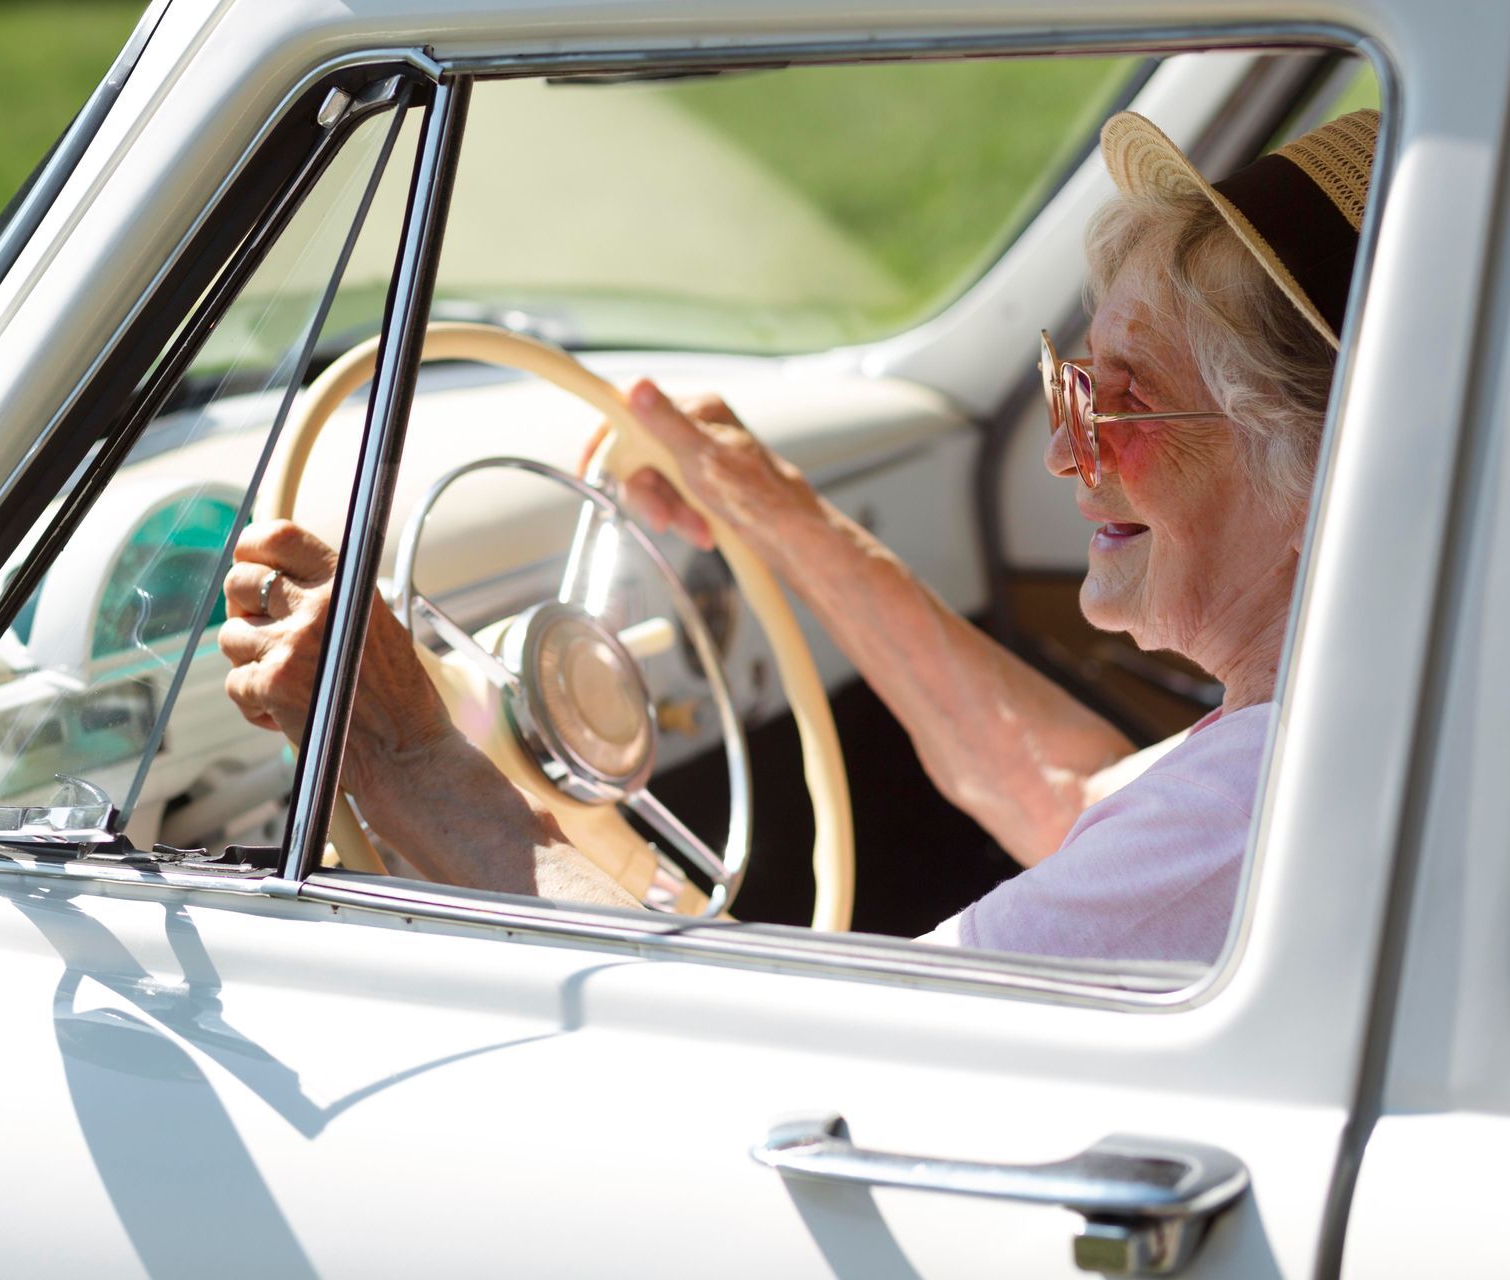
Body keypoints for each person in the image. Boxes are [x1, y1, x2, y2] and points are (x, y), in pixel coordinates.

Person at [215, 107, 1380, 964]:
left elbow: (814, 1075)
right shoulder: (1352, 726)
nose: (1065, 455)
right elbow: (1073, 798)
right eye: (1066, 382)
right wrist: (775, 510)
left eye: (1116, 404)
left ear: (1327, 466)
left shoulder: (1268, 804)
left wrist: (405, 750)